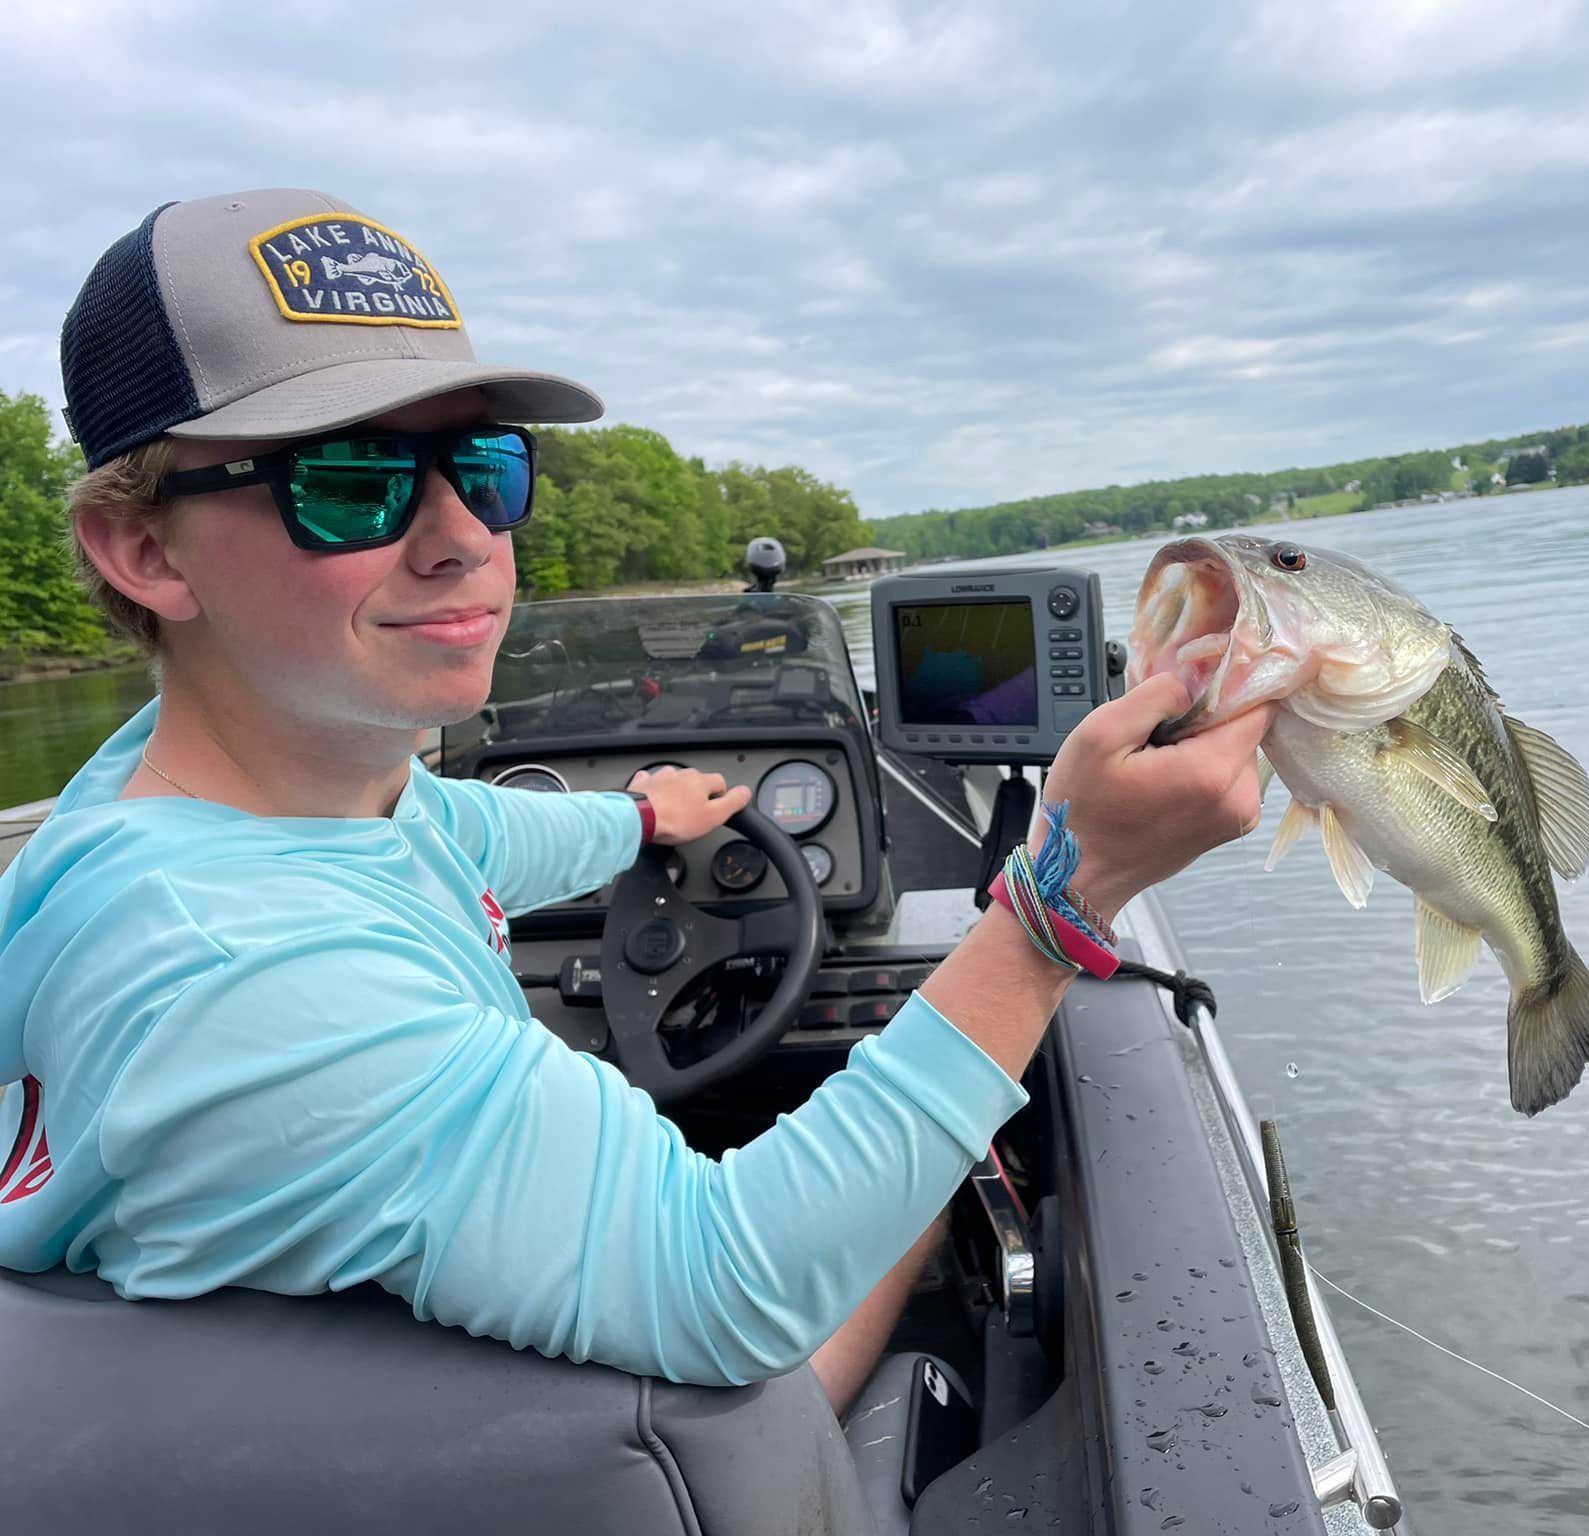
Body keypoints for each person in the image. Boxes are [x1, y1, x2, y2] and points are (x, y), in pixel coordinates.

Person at [0, 190, 1270, 1413]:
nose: (461, 539)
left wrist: (644, 819)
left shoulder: (191, 796)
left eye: (484, 468)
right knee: (931, 1184)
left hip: (323, 1418)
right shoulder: (252, 983)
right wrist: (1058, 898)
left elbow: (468, 830)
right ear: (146, 551)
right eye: (350, 481)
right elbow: (730, 1289)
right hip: (613, 1451)